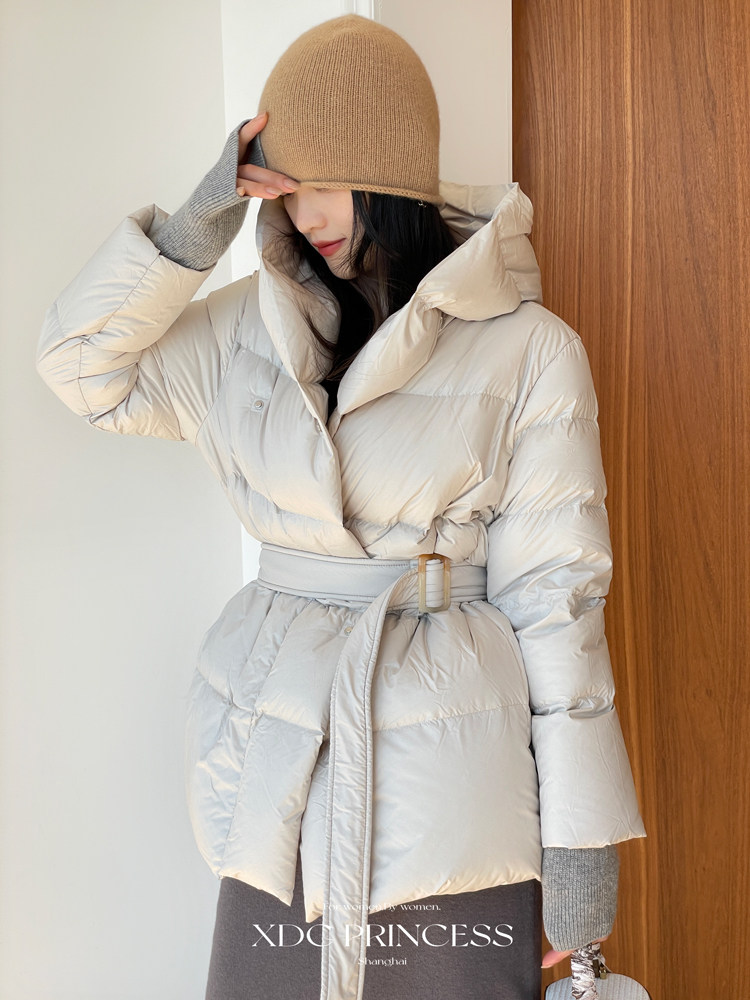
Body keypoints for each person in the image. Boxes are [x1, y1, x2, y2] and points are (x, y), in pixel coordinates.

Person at [35, 13, 646, 1000]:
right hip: (280, 774)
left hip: (456, 783)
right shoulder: (242, 329)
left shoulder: (530, 349)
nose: (303, 211)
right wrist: (196, 227)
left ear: (391, 176)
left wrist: (581, 840)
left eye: (324, 182)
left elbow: (558, 600)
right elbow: (81, 369)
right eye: (283, 185)